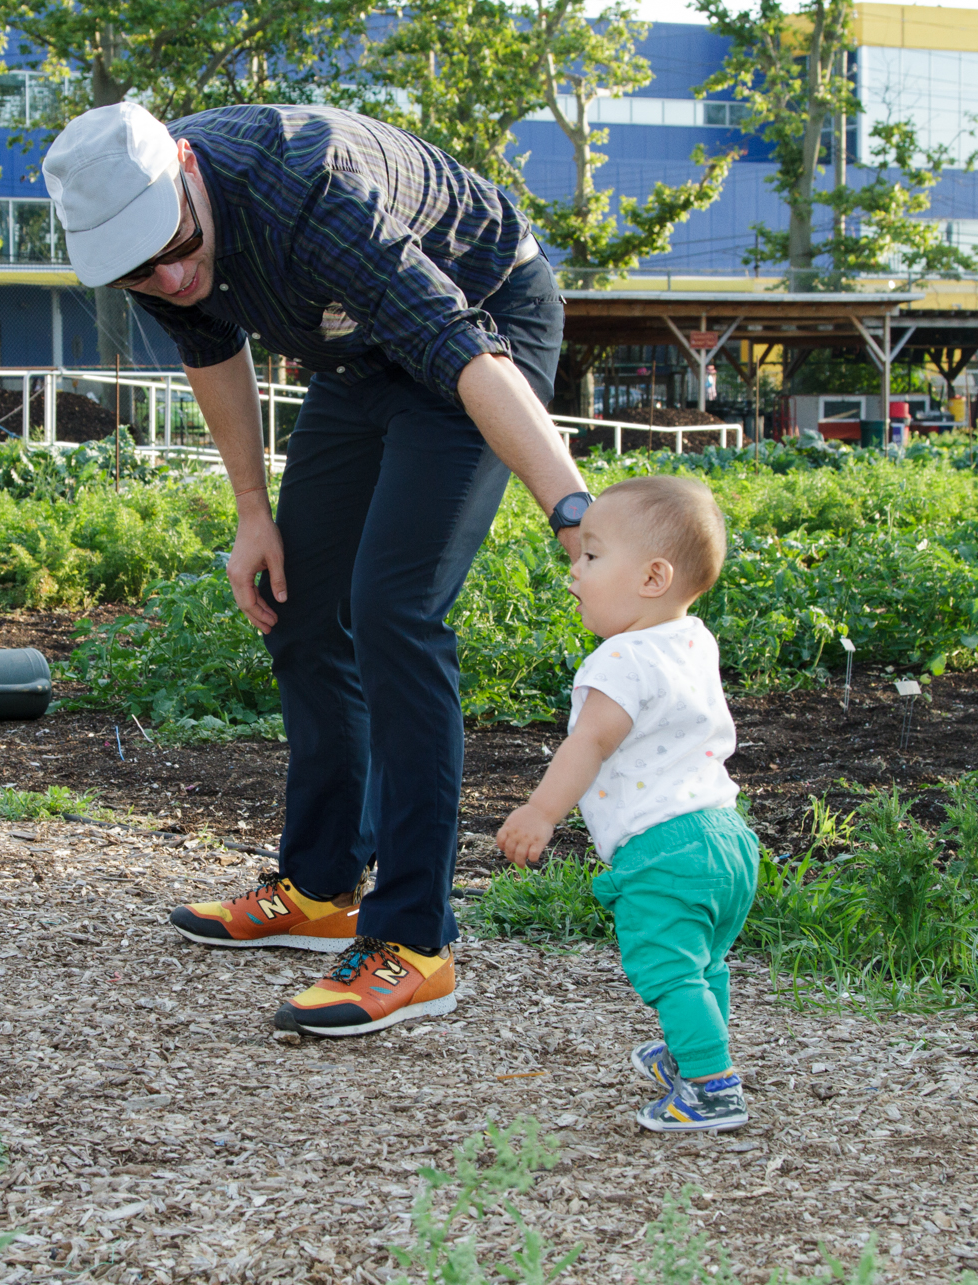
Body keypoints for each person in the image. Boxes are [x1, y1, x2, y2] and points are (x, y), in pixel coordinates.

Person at [42, 102, 592, 1038]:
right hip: (354, 353)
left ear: (183, 165)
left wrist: (576, 512)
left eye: (174, 245)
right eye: (141, 269)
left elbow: (459, 352)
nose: (169, 277)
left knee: (395, 608)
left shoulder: (312, 189)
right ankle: (322, 887)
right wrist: (253, 513)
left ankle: (415, 943)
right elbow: (210, 344)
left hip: (482, 320)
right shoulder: (131, 235)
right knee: (297, 602)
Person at [494, 476, 758, 1132]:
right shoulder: (692, 639)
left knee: (667, 968)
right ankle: (692, 1050)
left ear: (652, 576)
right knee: (703, 961)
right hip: (727, 839)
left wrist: (540, 812)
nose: (574, 572)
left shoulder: (618, 661)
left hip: (663, 848)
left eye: (591, 556)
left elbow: (589, 743)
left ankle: (712, 1086)